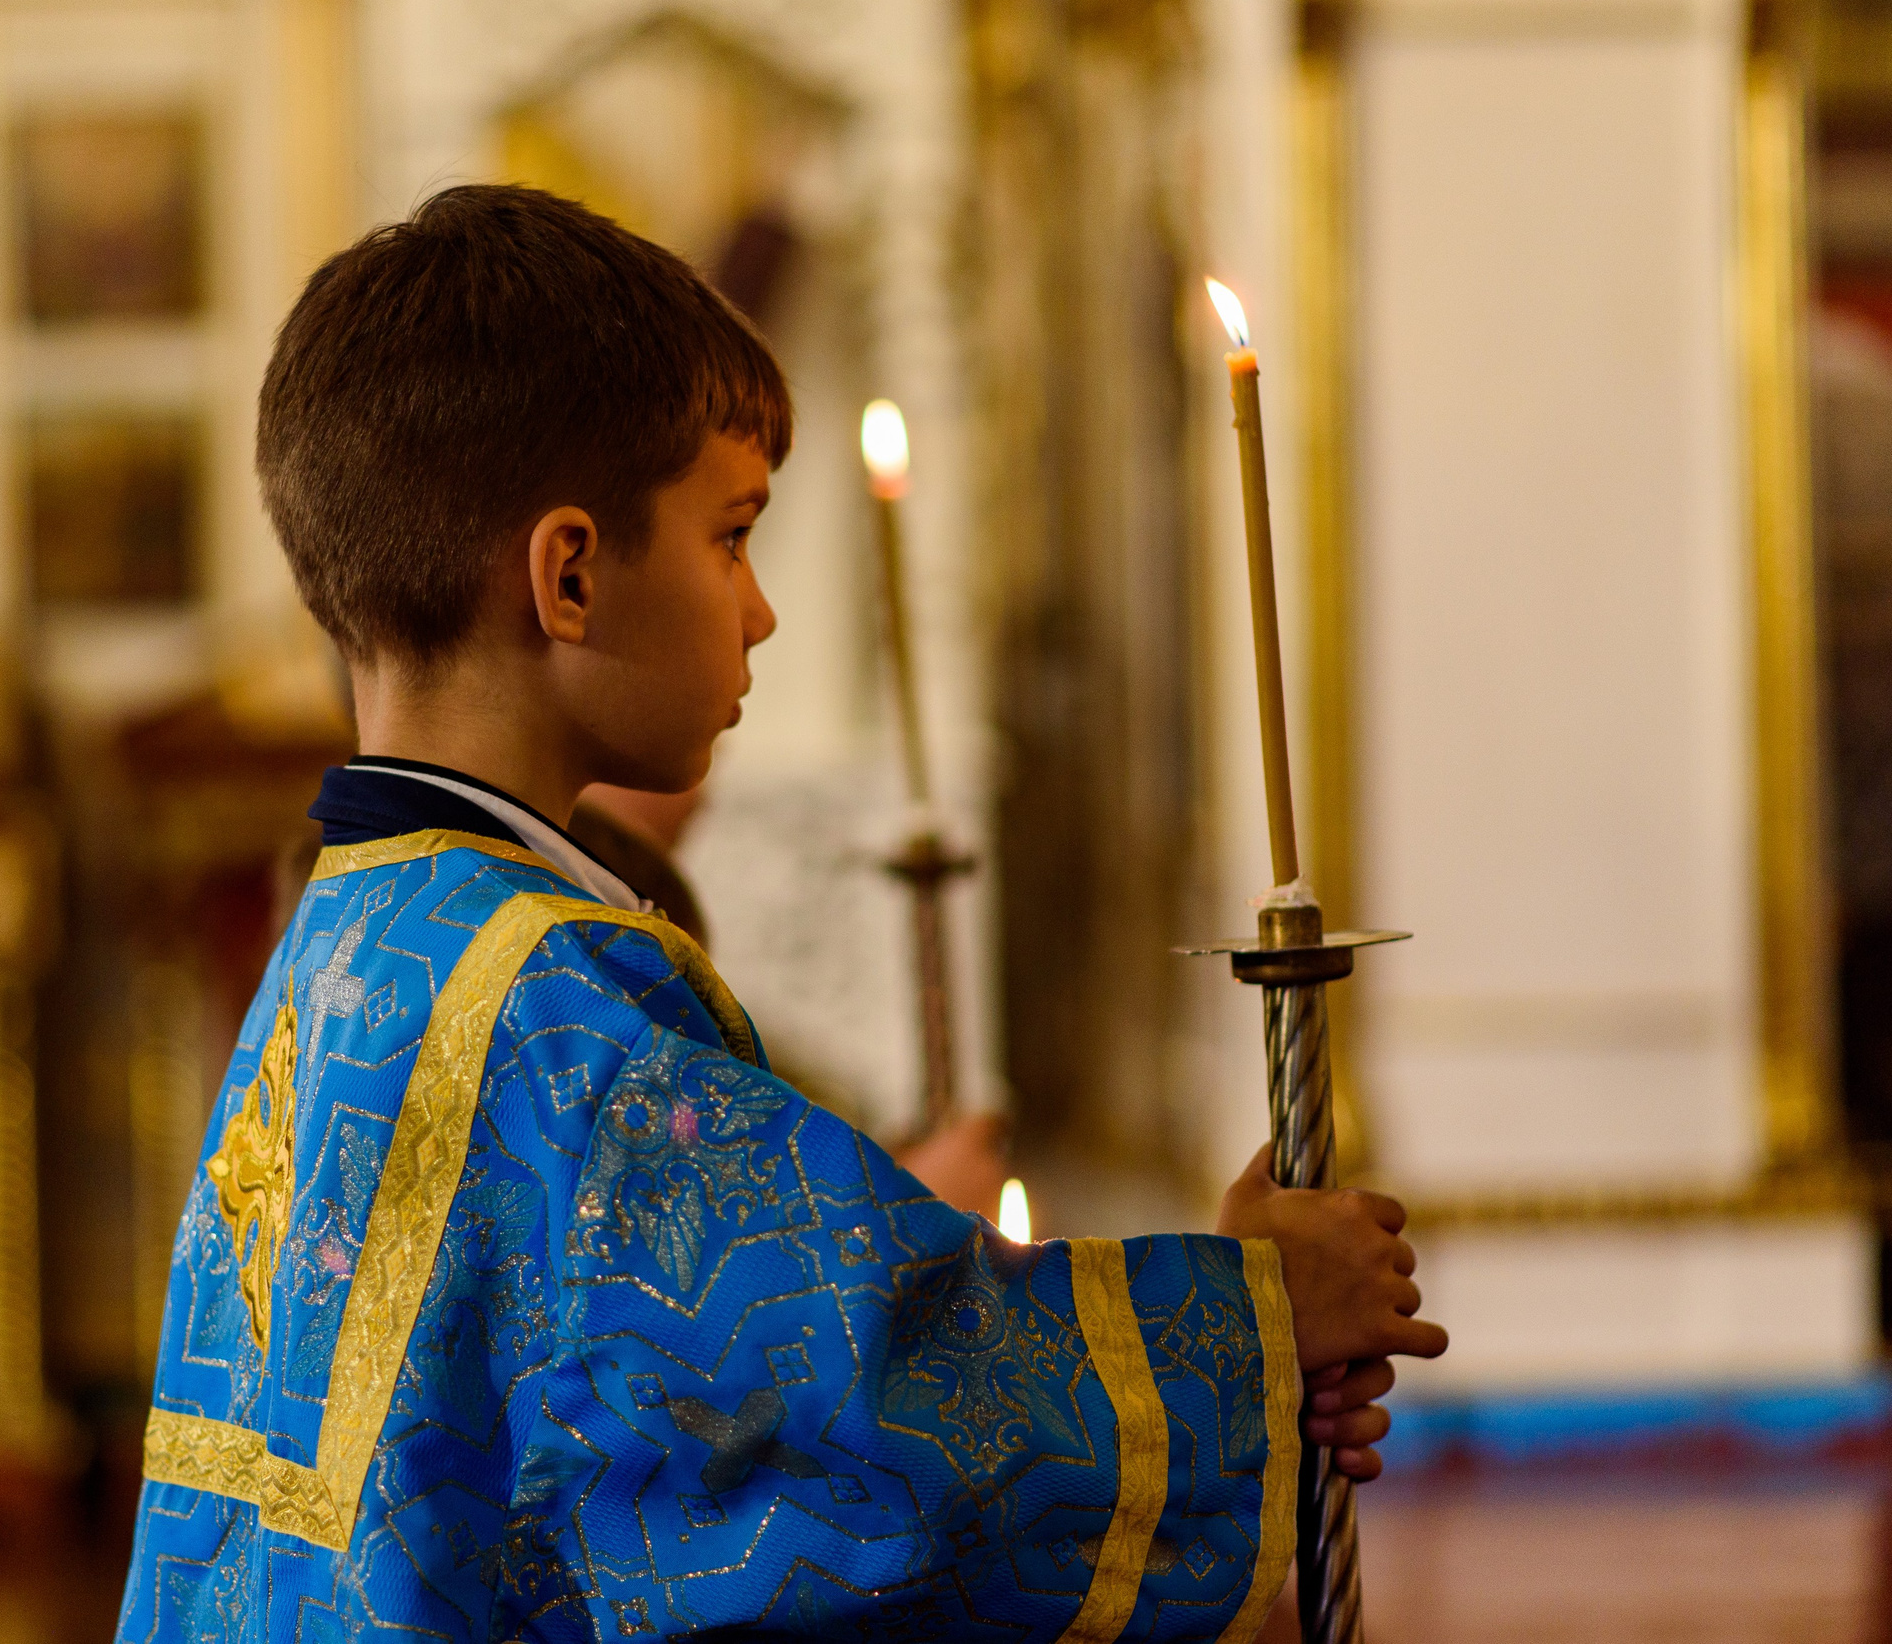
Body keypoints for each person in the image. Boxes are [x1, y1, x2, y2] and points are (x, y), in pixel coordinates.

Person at [118, 184, 1447, 1644]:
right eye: (731, 536)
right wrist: (1254, 1317)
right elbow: (876, 1402)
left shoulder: (349, 947)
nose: (757, 611)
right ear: (569, 573)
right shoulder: (558, 1006)